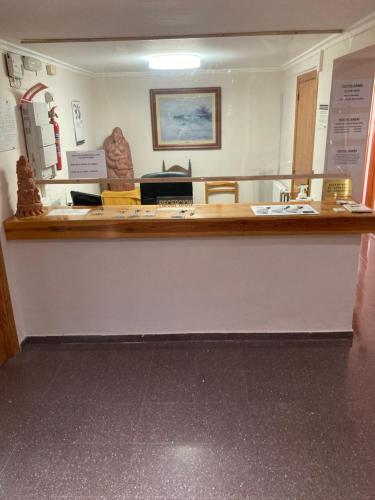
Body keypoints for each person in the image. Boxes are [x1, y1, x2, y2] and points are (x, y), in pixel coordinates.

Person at [103, 127, 135, 191]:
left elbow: (128, 157)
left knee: (129, 185)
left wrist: (129, 167)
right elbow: (107, 159)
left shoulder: (125, 143)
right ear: (112, 135)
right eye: (115, 133)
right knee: (116, 186)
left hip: (125, 167)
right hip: (113, 168)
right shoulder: (108, 143)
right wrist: (115, 164)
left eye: (119, 134)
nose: (117, 135)